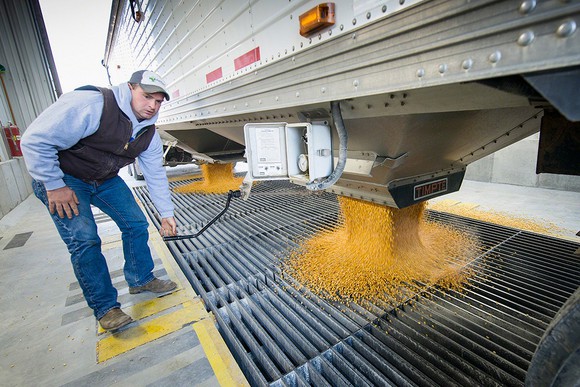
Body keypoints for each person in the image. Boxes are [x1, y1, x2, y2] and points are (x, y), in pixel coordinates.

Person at [21, 70, 178, 331]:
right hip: (64, 177)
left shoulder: (148, 132)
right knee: (84, 239)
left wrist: (166, 213)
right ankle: (106, 308)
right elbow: (34, 140)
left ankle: (140, 278)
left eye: (159, 101)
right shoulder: (93, 104)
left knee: (136, 224)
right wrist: (54, 185)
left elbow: (155, 174)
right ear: (130, 88)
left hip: (103, 178)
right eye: (147, 96)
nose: (152, 106)